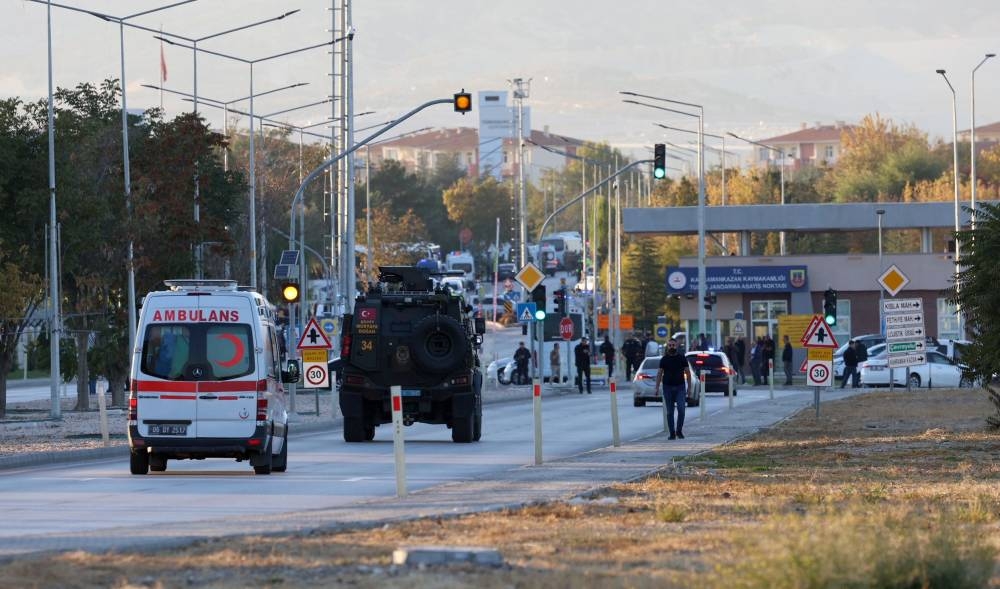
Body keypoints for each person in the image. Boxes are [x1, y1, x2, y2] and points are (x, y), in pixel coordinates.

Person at [655, 338, 688, 440]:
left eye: (673, 345)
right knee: (670, 412)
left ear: (676, 346)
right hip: (667, 387)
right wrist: (656, 387)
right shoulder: (664, 359)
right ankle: (672, 433)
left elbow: (688, 373)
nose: (671, 347)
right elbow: (660, 373)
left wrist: (690, 387)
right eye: (669, 345)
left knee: (681, 410)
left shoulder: (682, 358)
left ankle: (679, 430)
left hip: (680, 387)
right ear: (667, 347)